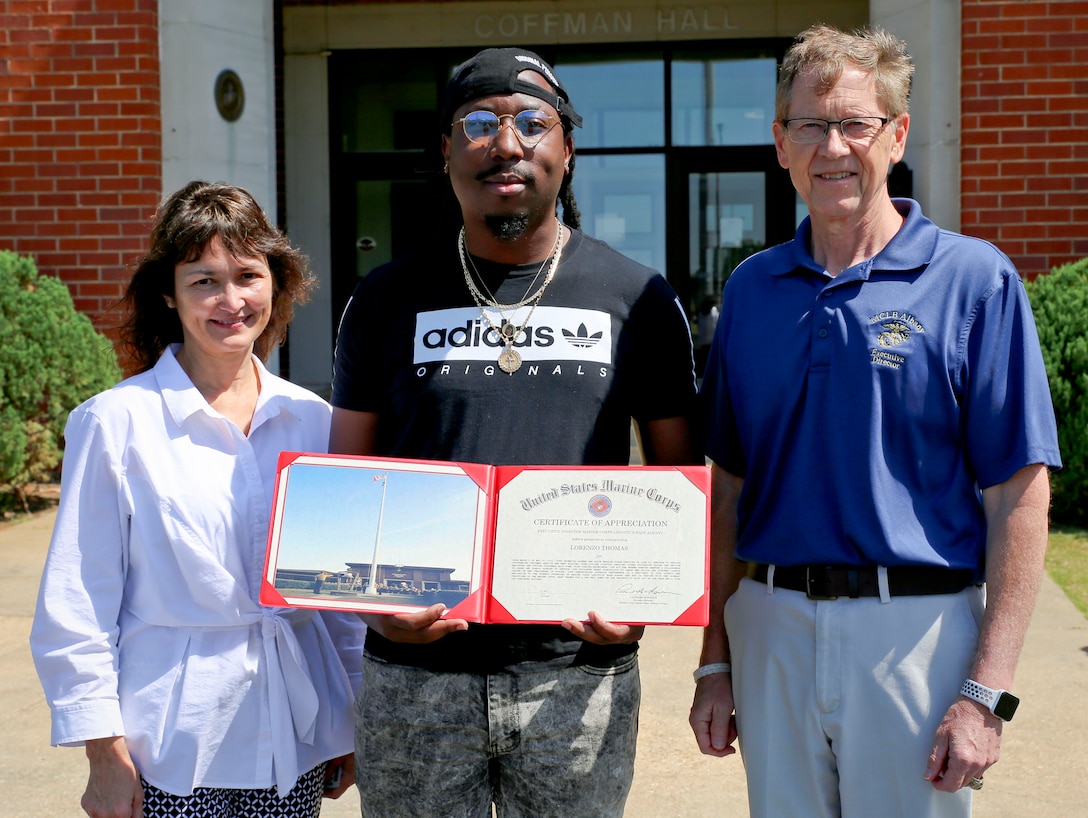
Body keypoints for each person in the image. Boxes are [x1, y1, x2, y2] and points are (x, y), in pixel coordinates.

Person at [689, 24, 1061, 818]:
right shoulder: (751, 289)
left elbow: (1019, 497)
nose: (833, 146)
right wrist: (712, 660)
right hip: (771, 629)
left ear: (895, 136)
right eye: (811, 125)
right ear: (781, 142)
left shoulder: (973, 281)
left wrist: (986, 691)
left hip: (916, 637)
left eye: (856, 123)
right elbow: (728, 490)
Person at [330, 47, 700, 818]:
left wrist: (640, 603)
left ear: (566, 148)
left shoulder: (639, 298)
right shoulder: (383, 299)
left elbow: (680, 483)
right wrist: (372, 603)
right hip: (415, 677)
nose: (507, 143)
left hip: (577, 674)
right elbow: (346, 478)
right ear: (445, 152)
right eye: (479, 123)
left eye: (534, 123)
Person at [30, 181, 367, 818]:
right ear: (169, 292)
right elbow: (78, 598)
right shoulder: (115, 422)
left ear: (278, 283)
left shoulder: (314, 419)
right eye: (203, 280)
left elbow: (336, 600)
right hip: (167, 746)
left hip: (292, 733)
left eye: (247, 275)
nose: (230, 300)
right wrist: (102, 750)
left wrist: (349, 711)